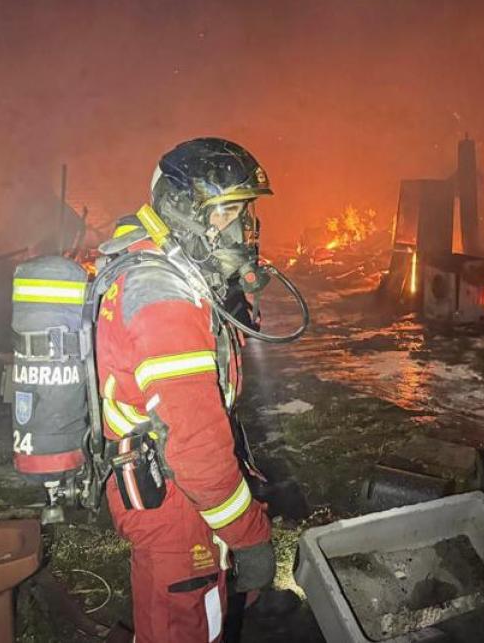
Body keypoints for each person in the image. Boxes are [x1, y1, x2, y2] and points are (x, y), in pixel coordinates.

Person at [94, 137, 276, 642]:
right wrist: (250, 537)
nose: (240, 228)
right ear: (183, 208)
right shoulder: (164, 298)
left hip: (173, 488)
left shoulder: (159, 267)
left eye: (245, 212)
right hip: (172, 499)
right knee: (185, 629)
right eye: (227, 212)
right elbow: (194, 448)